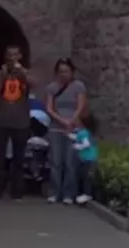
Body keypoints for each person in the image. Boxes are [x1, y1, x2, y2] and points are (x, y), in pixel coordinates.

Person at [0, 44, 35, 201]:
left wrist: (21, 72)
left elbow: (33, 83)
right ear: (5, 56)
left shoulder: (24, 73)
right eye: (9, 55)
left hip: (20, 122)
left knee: (19, 158)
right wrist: (2, 75)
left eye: (15, 55)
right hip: (1, 121)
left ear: (20, 56)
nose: (12, 58)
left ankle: (16, 192)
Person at [45, 58, 88, 204]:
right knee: (56, 161)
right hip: (56, 126)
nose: (63, 74)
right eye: (60, 71)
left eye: (66, 71)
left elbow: (81, 105)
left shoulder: (78, 86)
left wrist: (72, 120)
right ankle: (54, 191)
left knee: (70, 161)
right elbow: (49, 108)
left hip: (73, 127)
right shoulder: (52, 87)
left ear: (72, 72)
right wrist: (61, 120)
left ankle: (69, 193)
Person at [69, 115, 99, 205]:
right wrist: (68, 135)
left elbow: (86, 144)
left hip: (89, 159)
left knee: (86, 177)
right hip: (86, 159)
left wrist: (76, 146)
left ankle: (88, 194)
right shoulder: (84, 132)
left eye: (78, 121)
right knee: (82, 175)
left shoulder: (85, 132)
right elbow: (77, 137)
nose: (76, 123)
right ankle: (83, 194)